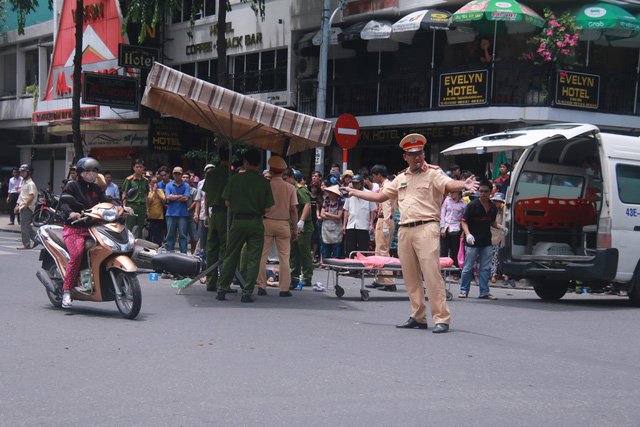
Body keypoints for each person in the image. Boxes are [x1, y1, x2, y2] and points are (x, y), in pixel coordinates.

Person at [342, 133, 479, 334]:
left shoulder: (434, 173)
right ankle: (418, 316)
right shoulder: (400, 178)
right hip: (405, 230)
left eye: (420, 153)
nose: (417, 157)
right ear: (405, 156)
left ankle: (441, 318)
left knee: (431, 274)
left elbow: (449, 185)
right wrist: (355, 192)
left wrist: (464, 184)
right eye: (412, 154)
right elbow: (380, 196)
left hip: (427, 227)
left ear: (424, 154)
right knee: (410, 277)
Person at [215, 149, 274, 303]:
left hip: (238, 221)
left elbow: (227, 202)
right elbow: (268, 209)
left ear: (245, 163)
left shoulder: (235, 179)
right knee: (254, 258)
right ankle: (247, 293)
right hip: (256, 222)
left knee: (231, 255)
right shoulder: (264, 182)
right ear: (260, 163)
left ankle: (221, 290)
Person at [57, 157, 110, 307]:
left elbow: (106, 201)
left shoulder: (96, 189)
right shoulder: (72, 186)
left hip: (93, 228)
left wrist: (122, 208)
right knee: (77, 254)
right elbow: (63, 202)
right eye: (88, 171)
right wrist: (70, 213)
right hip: (74, 229)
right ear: (80, 172)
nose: (91, 174)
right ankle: (67, 291)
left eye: (94, 171)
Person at [256, 156, 298, 297]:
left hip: (266, 222)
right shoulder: (290, 188)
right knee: (284, 258)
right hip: (284, 223)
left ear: (271, 171)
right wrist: (295, 229)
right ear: (282, 172)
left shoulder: (264, 186)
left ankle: (261, 286)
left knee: (262, 256)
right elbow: (293, 210)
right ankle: (284, 289)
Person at [459, 180, 508, 300]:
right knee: (468, 267)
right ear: (478, 192)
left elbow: (491, 221)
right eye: (481, 191)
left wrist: (500, 227)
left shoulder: (492, 207)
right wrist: (468, 235)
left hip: (486, 241)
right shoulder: (472, 205)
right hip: (472, 242)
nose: (483, 194)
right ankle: (464, 290)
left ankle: (484, 292)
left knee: (485, 268)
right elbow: (464, 222)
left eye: (486, 191)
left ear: (490, 193)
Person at [203, 146, 233, 293]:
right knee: (226, 249)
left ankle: (210, 281)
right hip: (226, 214)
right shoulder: (230, 174)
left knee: (211, 249)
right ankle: (224, 283)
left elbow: (206, 195)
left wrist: (206, 215)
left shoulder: (211, 173)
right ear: (231, 158)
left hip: (213, 213)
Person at [368, 164, 398, 291]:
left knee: (382, 251)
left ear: (379, 175)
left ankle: (389, 281)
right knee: (379, 250)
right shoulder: (387, 185)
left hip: (385, 219)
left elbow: (386, 205)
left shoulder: (387, 187)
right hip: (384, 220)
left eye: (374, 176)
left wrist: (385, 224)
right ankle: (379, 278)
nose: (374, 179)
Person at [284, 168, 314, 288]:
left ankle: (307, 277)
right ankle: (294, 276)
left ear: (292, 178)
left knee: (304, 252)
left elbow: (307, 204)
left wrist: (301, 221)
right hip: (292, 225)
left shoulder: (299, 189)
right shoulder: (289, 189)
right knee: (293, 252)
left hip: (303, 227)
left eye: (286, 179)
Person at [342, 174, 376, 258]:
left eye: (357, 183)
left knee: (363, 248)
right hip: (351, 224)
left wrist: (371, 223)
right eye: (353, 183)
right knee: (350, 248)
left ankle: (362, 269)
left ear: (361, 183)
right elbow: (346, 210)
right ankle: (351, 269)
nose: (355, 185)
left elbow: (372, 210)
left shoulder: (368, 193)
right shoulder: (350, 194)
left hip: (363, 225)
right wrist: (344, 225)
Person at [440, 189, 467, 272]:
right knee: (443, 250)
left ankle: (455, 271)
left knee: (455, 250)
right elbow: (443, 213)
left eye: (453, 192)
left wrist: (463, 232)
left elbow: (465, 219)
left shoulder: (464, 204)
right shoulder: (447, 200)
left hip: (456, 229)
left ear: (459, 193)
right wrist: (443, 227)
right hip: (446, 227)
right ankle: (442, 270)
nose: (451, 194)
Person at [164, 167, 190, 253]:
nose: (177, 175)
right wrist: (180, 196)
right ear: (172, 174)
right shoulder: (168, 185)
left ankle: (183, 253)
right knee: (170, 235)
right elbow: (167, 197)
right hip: (171, 213)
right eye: (175, 173)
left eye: (179, 174)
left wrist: (173, 197)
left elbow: (186, 198)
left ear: (182, 175)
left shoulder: (186, 185)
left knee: (183, 235)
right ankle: (170, 253)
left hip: (182, 213)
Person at [122, 159, 150, 238]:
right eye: (137, 167)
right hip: (131, 206)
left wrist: (147, 210)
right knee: (130, 228)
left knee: (140, 228)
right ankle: (130, 246)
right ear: (133, 168)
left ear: (143, 168)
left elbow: (145, 196)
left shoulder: (145, 181)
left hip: (141, 206)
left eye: (140, 167)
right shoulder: (129, 180)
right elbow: (124, 194)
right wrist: (124, 207)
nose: (139, 169)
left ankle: (139, 247)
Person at [15, 164, 39, 250]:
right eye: (21, 172)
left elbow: (31, 196)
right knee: (27, 226)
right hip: (23, 206)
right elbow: (22, 195)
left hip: (27, 207)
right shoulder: (24, 183)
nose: (22, 173)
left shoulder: (31, 184)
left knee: (24, 226)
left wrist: (25, 205)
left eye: (23, 172)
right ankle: (37, 239)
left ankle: (26, 244)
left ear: (29, 173)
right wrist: (18, 205)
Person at [320, 185, 344, 260]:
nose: (329, 194)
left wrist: (327, 214)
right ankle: (326, 261)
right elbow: (321, 214)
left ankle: (334, 261)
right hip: (326, 227)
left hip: (336, 228)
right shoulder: (326, 201)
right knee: (326, 246)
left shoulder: (340, 203)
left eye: (331, 193)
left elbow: (339, 216)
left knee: (336, 246)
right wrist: (333, 217)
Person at [146, 175, 166, 246]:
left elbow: (164, 200)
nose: (155, 184)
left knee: (158, 236)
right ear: (149, 183)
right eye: (153, 182)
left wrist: (157, 192)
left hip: (159, 217)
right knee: (150, 236)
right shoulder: (147, 192)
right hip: (150, 218)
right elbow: (148, 201)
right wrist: (153, 192)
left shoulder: (160, 191)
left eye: (156, 182)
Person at [184, 172, 200, 254]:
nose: (185, 179)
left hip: (191, 216)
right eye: (184, 177)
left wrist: (189, 209)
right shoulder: (180, 189)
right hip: (182, 216)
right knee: (183, 236)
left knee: (193, 237)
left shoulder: (194, 190)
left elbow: (196, 201)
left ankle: (193, 253)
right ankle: (183, 253)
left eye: (187, 177)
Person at [308, 180, 322, 263]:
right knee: (309, 238)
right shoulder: (307, 196)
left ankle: (313, 255)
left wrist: (318, 218)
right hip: (308, 219)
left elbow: (318, 209)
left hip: (316, 220)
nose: (314, 189)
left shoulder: (319, 197)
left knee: (316, 238)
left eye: (315, 188)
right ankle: (309, 255)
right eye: (312, 187)